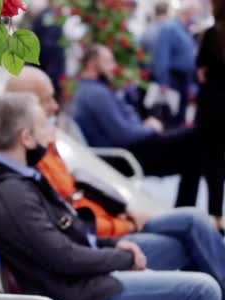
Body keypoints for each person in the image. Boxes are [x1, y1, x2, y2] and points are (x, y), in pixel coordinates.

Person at [0, 93, 221, 300]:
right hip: (76, 292)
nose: (52, 133)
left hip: (81, 278)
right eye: (45, 126)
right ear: (27, 138)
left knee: (185, 252)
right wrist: (124, 257)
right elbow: (63, 257)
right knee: (203, 291)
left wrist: (113, 245)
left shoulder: (16, 177)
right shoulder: (12, 194)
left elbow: (67, 232)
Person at [73, 44, 200, 208]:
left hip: (130, 149)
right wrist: (150, 129)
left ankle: (186, 212)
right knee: (194, 142)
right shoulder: (96, 94)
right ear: (92, 64)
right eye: (109, 61)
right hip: (126, 156)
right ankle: (186, 213)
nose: (113, 67)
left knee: (194, 146)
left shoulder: (90, 90)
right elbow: (123, 135)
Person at [195, 0, 225, 230]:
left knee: (213, 160)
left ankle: (216, 215)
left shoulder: (211, 35)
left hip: (212, 104)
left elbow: (201, 70)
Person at [152, 2, 199, 127]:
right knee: (171, 116)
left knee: (181, 117)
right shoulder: (169, 28)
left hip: (184, 80)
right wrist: (163, 82)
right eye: (195, 12)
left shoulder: (186, 29)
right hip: (173, 79)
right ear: (187, 12)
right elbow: (162, 56)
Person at [32, 0, 65, 103]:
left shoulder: (45, 13)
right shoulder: (54, 15)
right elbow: (50, 47)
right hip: (48, 68)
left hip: (38, 65)